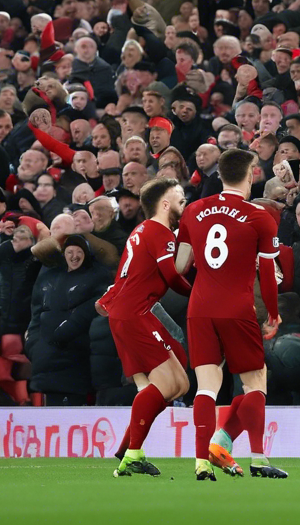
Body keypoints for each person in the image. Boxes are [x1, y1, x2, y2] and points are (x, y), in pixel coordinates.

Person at [176, 148, 287, 481]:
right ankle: (258, 458)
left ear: (220, 174)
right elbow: (267, 274)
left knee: (206, 387)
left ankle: (200, 461)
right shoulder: (259, 217)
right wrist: (274, 314)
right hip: (237, 307)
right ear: (251, 173)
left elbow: (180, 265)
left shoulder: (193, 210)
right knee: (254, 381)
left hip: (200, 307)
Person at [97, 177, 191, 477]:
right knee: (166, 385)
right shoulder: (158, 231)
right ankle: (133, 454)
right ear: (165, 204)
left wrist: (109, 298)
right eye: (180, 198)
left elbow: (128, 273)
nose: (183, 202)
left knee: (181, 382)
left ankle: (128, 447)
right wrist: (201, 291)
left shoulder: (141, 230)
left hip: (133, 311)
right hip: (134, 314)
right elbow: (172, 277)